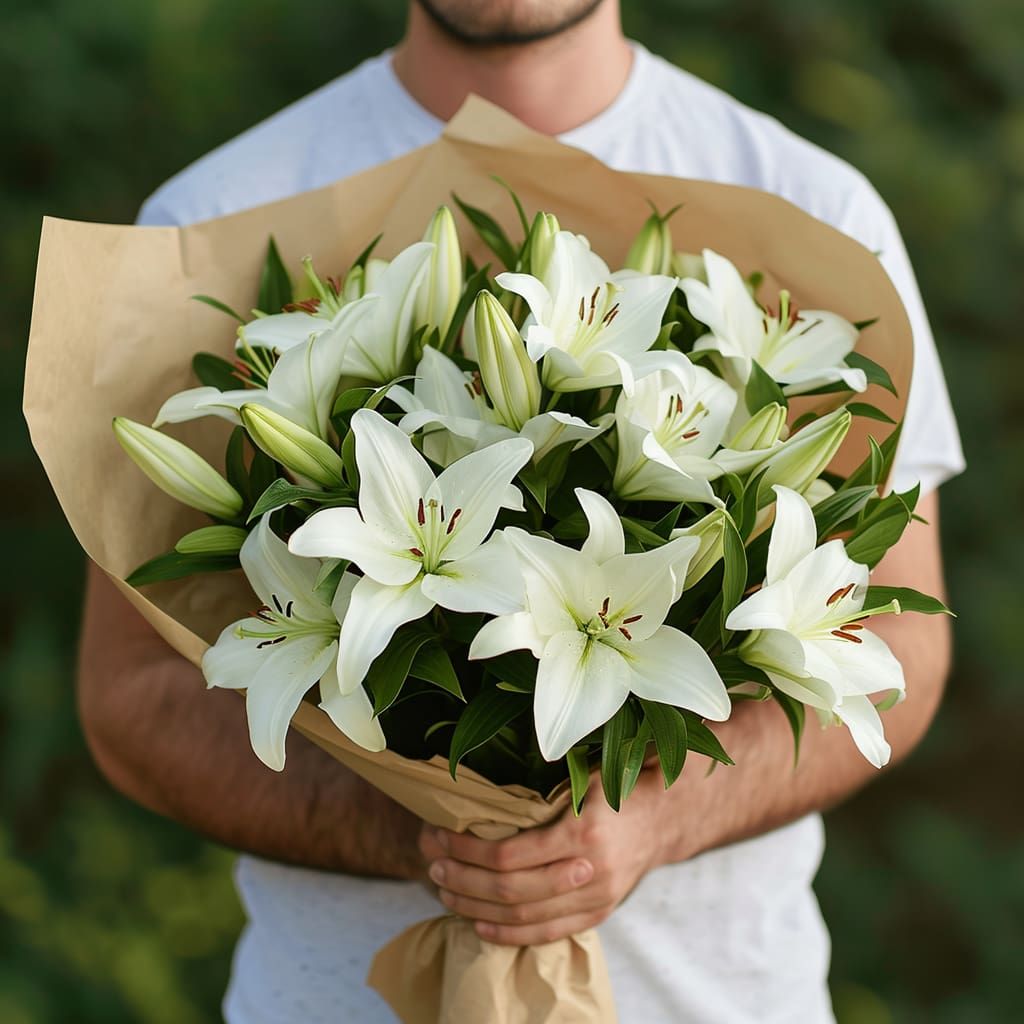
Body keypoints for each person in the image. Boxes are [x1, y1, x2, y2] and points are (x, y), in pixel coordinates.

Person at [78, 1, 965, 1021]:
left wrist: (647, 825)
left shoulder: (810, 203)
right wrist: (431, 831)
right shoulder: (210, 217)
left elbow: (897, 640)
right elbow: (132, 692)